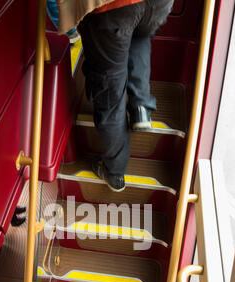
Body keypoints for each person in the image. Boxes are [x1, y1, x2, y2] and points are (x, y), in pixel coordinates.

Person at [56, 0, 174, 192]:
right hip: (159, 4)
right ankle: (141, 106)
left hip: (113, 8)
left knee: (110, 86)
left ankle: (114, 171)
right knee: (139, 35)